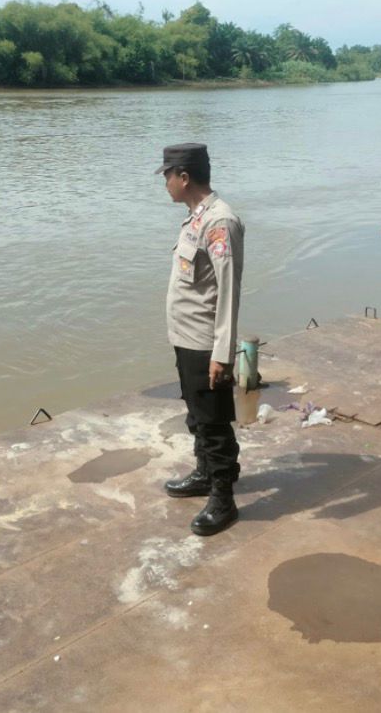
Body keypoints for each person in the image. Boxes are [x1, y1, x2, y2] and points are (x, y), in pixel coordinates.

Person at [157, 143, 245, 536]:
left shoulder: (220, 222)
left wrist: (222, 354)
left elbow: (228, 292)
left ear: (184, 177)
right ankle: (205, 473)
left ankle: (223, 499)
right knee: (196, 415)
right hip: (186, 337)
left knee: (213, 422)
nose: (165, 184)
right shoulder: (197, 217)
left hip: (205, 342)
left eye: (167, 176)